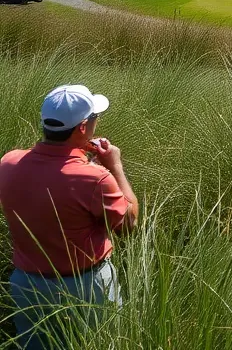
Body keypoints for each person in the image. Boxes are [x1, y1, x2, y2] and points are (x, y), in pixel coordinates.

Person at [0, 85, 139, 350]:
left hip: (27, 285)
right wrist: (115, 167)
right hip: (86, 286)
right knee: (100, 343)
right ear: (83, 128)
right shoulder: (95, 178)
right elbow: (129, 224)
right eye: (95, 118)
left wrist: (76, 157)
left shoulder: (7, 163)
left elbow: (44, 179)